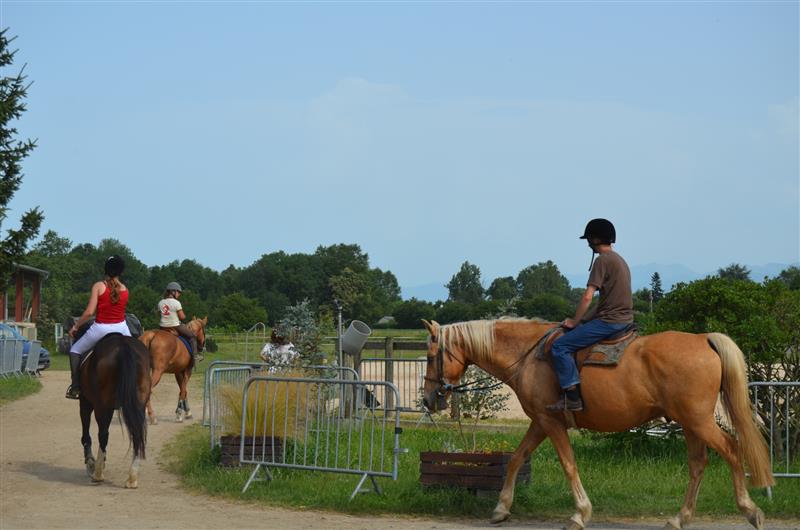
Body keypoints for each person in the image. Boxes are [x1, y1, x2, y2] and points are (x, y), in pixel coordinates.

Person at [546, 218, 634, 412]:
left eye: (589, 239)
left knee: (560, 346)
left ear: (595, 239)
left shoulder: (602, 261)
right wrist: (584, 321)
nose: (588, 243)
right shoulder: (620, 260)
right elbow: (603, 302)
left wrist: (574, 321)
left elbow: (587, 297)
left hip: (610, 322)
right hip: (625, 319)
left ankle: (572, 397)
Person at [66, 255, 130, 399]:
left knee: (75, 351)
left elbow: (89, 312)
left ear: (106, 270)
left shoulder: (98, 286)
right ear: (121, 271)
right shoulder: (125, 289)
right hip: (122, 328)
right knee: (133, 354)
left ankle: (75, 386)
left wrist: (76, 326)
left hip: (101, 329)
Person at [158, 282, 200, 360]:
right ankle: (195, 355)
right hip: (175, 326)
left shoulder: (160, 302)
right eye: (179, 292)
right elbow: (182, 317)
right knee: (192, 336)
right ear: (173, 292)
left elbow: (159, 314)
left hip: (162, 327)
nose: (179, 294)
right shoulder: (176, 303)